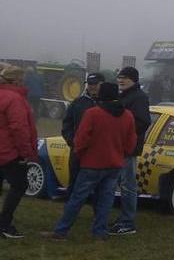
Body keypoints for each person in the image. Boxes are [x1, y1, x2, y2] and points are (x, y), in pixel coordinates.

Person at [43, 83, 136, 241]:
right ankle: (100, 232)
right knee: (106, 200)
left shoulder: (93, 113)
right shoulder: (127, 115)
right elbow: (131, 141)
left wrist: (79, 153)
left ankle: (61, 231)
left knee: (77, 198)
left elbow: (81, 138)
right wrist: (121, 154)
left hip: (91, 163)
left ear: (102, 95)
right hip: (114, 164)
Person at [110, 67, 151, 236]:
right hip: (117, 146)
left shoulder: (139, 97)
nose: (121, 80)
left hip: (128, 148)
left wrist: (124, 134)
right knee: (115, 183)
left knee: (127, 185)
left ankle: (127, 222)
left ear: (134, 79)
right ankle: (122, 219)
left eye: (125, 78)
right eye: (119, 77)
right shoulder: (123, 95)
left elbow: (143, 121)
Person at [0, 65, 38, 238]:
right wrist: (26, 152)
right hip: (9, 152)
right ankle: (4, 224)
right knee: (19, 185)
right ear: (17, 80)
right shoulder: (15, 99)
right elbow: (19, 128)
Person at [62, 72, 104, 196]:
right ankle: (70, 210)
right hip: (78, 150)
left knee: (100, 186)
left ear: (102, 84)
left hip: (100, 151)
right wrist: (72, 141)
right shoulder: (78, 102)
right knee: (74, 181)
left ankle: (98, 213)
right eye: (89, 84)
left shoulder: (108, 104)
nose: (92, 87)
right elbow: (66, 124)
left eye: (95, 84)